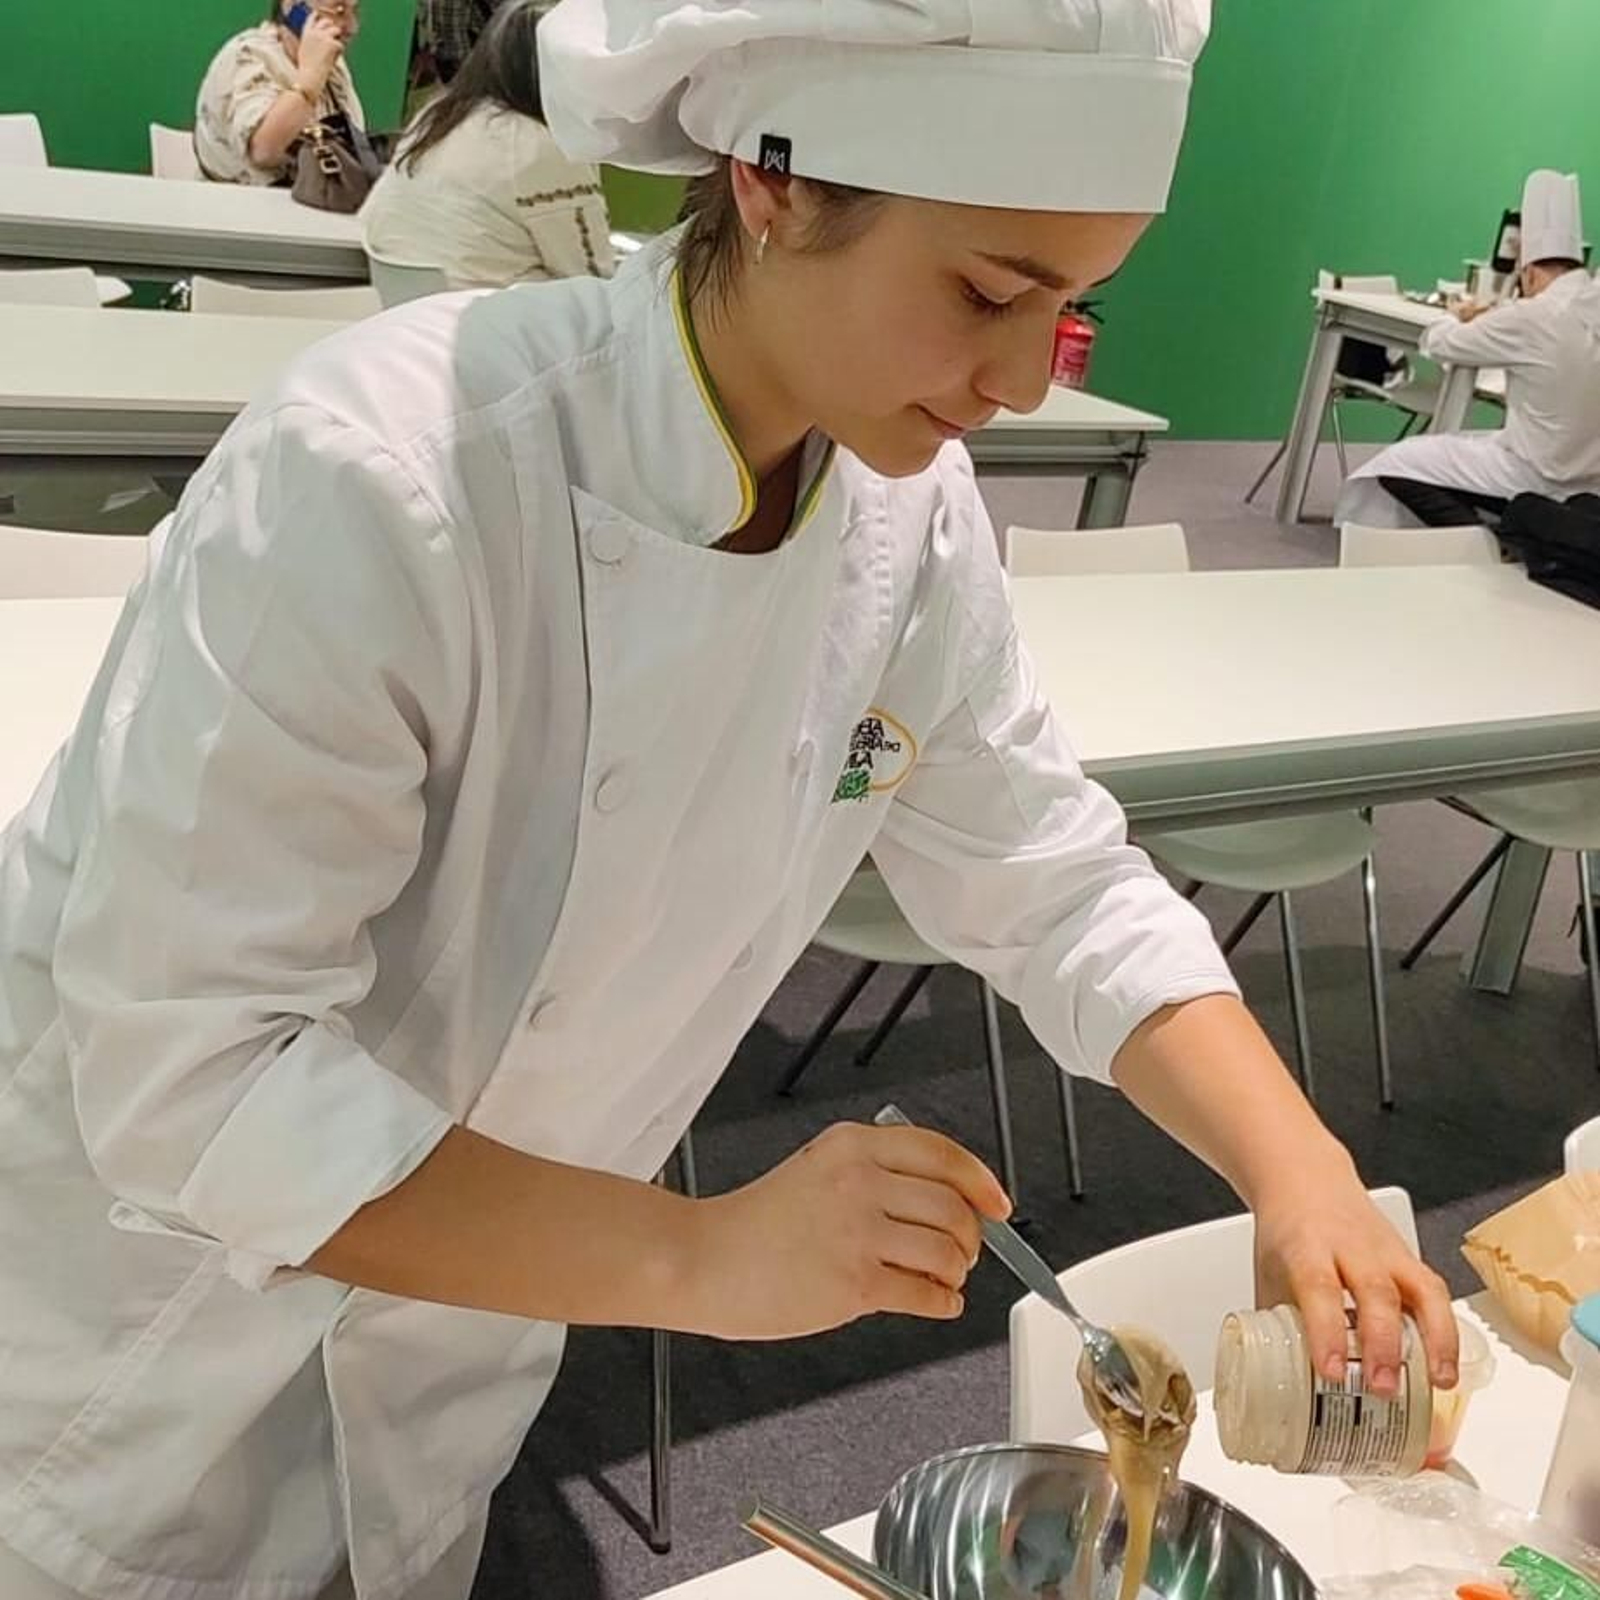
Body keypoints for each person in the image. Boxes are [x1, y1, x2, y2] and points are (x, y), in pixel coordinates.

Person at [0, 2, 1458, 1596]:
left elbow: (1053, 880)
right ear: (772, 184)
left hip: (462, 1329)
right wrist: (698, 1254)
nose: (1024, 383)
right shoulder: (388, 470)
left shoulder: (906, 519)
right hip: (120, 1361)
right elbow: (198, 1078)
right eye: (988, 293)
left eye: (1074, 311)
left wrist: (1298, 1169)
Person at [1336, 170, 1600, 529]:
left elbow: (1442, 343)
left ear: (1529, 272)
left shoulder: (1530, 316)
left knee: (1399, 464)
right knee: (1460, 448)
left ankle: (1482, 542)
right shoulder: (1588, 303)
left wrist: (1455, 314)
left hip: (1536, 473)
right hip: (1589, 478)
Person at [361, 0, 614, 301]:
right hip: (486, 312)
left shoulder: (436, 116)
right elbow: (592, 278)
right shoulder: (542, 147)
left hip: (406, 306)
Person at [195, 0, 365, 186]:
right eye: (339, 11)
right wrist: (309, 81)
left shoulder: (331, 65)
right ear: (295, 7)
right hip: (240, 201)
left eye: (355, 11)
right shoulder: (248, 55)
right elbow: (263, 151)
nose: (352, 27)